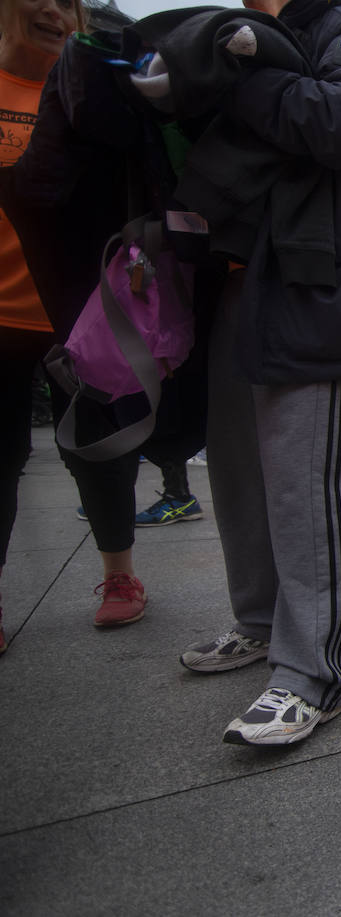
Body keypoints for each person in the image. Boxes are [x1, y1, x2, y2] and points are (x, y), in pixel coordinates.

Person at [178, 0, 341, 747]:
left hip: (321, 294)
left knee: (309, 481)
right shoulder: (266, 35)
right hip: (248, 285)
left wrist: (241, 82)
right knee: (240, 475)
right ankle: (260, 624)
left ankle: (315, 672)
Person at [0, 0, 87, 650]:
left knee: (93, 452)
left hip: (72, 310)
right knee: (3, 458)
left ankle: (119, 574)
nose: (55, 12)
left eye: (70, 2)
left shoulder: (89, 101)